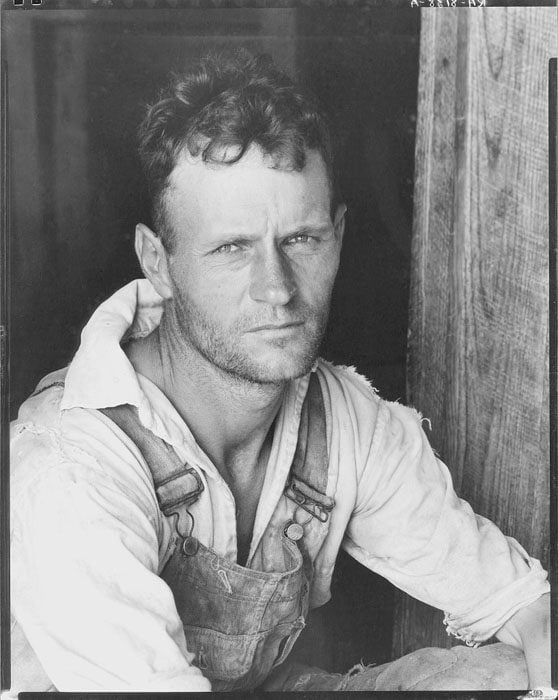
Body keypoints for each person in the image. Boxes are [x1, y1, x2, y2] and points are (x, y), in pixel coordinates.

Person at [8, 51, 550, 694]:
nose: (277, 290)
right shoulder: (72, 466)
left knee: (503, 676)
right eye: (232, 249)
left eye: (300, 240)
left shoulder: (346, 421)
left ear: (339, 236)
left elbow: (527, 608)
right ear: (157, 261)